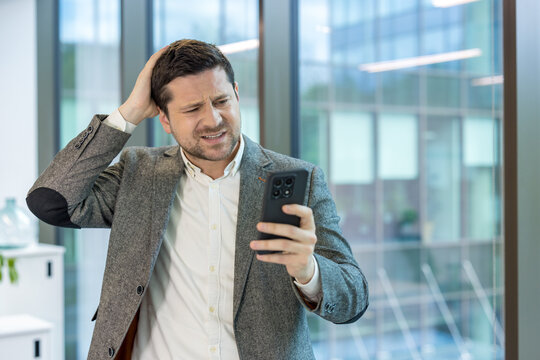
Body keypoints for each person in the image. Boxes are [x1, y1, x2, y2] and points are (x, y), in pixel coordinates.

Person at [27, 39, 368, 360]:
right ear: (164, 119)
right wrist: (128, 112)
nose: (213, 119)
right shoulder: (138, 175)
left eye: (221, 101)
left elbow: (354, 299)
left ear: (236, 94)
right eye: (192, 109)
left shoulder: (298, 179)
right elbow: (51, 200)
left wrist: (309, 271)